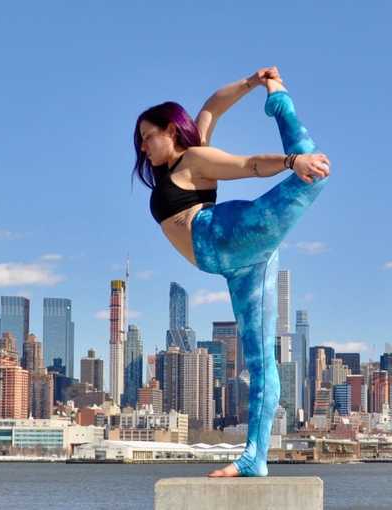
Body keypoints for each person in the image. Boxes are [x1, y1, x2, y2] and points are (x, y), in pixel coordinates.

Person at [132, 67, 331, 477]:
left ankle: (281, 104)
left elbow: (250, 165)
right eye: (138, 141)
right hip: (239, 265)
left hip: (229, 236)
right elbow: (210, 106)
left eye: (147, 136)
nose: (142, 147)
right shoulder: (186, 150)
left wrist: (294, 161)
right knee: (260, 363)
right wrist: (251, 82)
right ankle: (254, 458)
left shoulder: (194, 159)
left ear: (170, 130)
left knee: (310, 178)